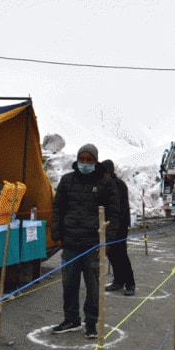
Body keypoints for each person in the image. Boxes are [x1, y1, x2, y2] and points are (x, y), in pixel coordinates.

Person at [51, 144, 120, 339]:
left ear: (96, 161)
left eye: (89, 160)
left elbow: (114, 214)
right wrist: (57, 235)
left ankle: (91, 322)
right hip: (71, 243)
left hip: (93, 244)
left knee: (93, 286)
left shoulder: (106, 184)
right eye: (82, 159)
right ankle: (71, 319)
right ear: (77, 159)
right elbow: (58, 209)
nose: (85, 163)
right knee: (69, 284)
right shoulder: (66, 181)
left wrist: (107, 242)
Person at [101, 159, 136, 296]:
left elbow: (119, 209)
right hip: (109, 226)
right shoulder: (106, 184)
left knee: (121, 255)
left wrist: (117, 225)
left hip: (119, 226)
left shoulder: (118, 185)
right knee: (112, 254)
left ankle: (130, 283)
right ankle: (118, 280)